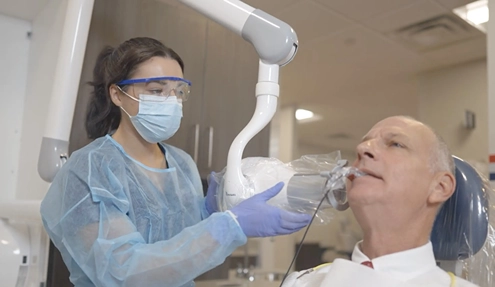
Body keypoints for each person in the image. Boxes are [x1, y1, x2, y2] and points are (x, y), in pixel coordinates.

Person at [40, 37, 312, 287]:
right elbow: (123, 272)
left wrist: (210, 212)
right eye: (157, 90)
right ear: (117, 94)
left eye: (178, 92)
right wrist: (231, 226)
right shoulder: (89, 169)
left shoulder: (182, 164)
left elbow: (183, 251)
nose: (171, 102)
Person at [282, 116, 478, 287]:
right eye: (364, 143)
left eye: (396, 144)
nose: (362, 148)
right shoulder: (302, 282)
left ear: (439, 187)